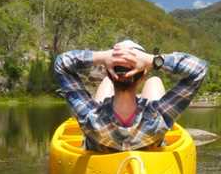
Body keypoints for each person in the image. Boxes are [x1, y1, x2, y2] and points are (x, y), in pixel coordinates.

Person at [53, 39, 207, 151]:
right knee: (155, 81)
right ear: (143, 74)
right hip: (148, 132)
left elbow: (62, 63)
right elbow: (199, 69)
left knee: (106, 83)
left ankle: (117, 91)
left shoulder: (90, 118)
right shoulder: (159, 118)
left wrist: (102, 56)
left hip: (101, 132)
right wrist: (152, 60)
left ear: (109, 70)